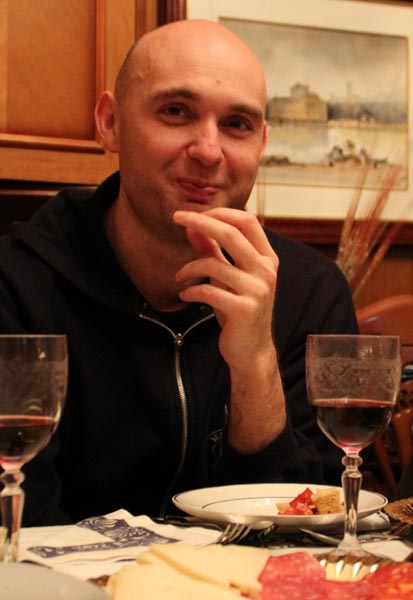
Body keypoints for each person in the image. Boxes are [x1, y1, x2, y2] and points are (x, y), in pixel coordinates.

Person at [0, 19, 358, 526]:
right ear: (110, 123)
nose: (208, 150)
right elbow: (16, 527)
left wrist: (256, 364)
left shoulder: (311, 292)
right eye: (176, 112)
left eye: (236, 124)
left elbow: (315, 525)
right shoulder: (17, 285)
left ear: (260, 143)